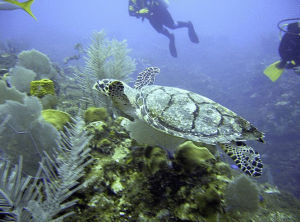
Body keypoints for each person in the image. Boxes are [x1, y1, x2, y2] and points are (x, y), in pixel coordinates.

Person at [128, 0, 199, 57]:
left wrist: (146, 9)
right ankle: (171, 37)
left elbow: (153, 5)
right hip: (151, 18)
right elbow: (131, 13)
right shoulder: (132, 1)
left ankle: (188, 24)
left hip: (161, 12)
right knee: (161, 31)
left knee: (173, 26)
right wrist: (139, 12)